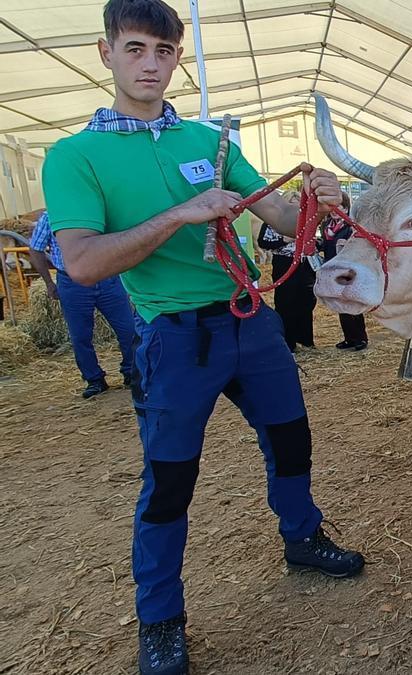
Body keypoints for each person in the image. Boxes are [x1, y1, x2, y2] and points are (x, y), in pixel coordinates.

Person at [40, 2, 364, 673]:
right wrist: (183, 213)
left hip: (250, 320)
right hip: (174, 338)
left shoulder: (208, 143)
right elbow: (83, 261)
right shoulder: (75, 157)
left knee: (291, 439)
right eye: (136, 50)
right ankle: (160, 618)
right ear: (107, 54)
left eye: (164, 52)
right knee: (169, 481)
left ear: (177, 58)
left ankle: (303, 535)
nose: (151, 65)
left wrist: (320, 201)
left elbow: (274, 209)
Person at [28, 211, 139, 398]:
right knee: (80, 335)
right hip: (72, 282)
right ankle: (94, 380)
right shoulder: (52, 216)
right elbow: (36, 248)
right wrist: (48, 282)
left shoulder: (103, 211)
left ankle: (132, 372)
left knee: (128, 329)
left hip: (108, 277)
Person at [258, 191, 317, 352]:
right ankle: (288, 342)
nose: (295, 206)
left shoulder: (307, 220)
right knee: (286, 302)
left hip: (305, 263)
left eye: (298, 202)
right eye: (291, 202)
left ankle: (306, 340)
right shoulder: (272, 222)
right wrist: (285, 240)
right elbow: (263, 242)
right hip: (284, 262)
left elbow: (316, 240)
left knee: (306, 301)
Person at [320, 192, 369, 350]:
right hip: (332, 268)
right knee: (340, 305)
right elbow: (326, 247)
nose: (334, 210)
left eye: (338, 206)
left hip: (348, 270)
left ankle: (361, 338)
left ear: (346, 207)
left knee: (352, 303)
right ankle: (348, 338)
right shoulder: (326, 226)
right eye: (331, 207)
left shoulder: (352, 226)